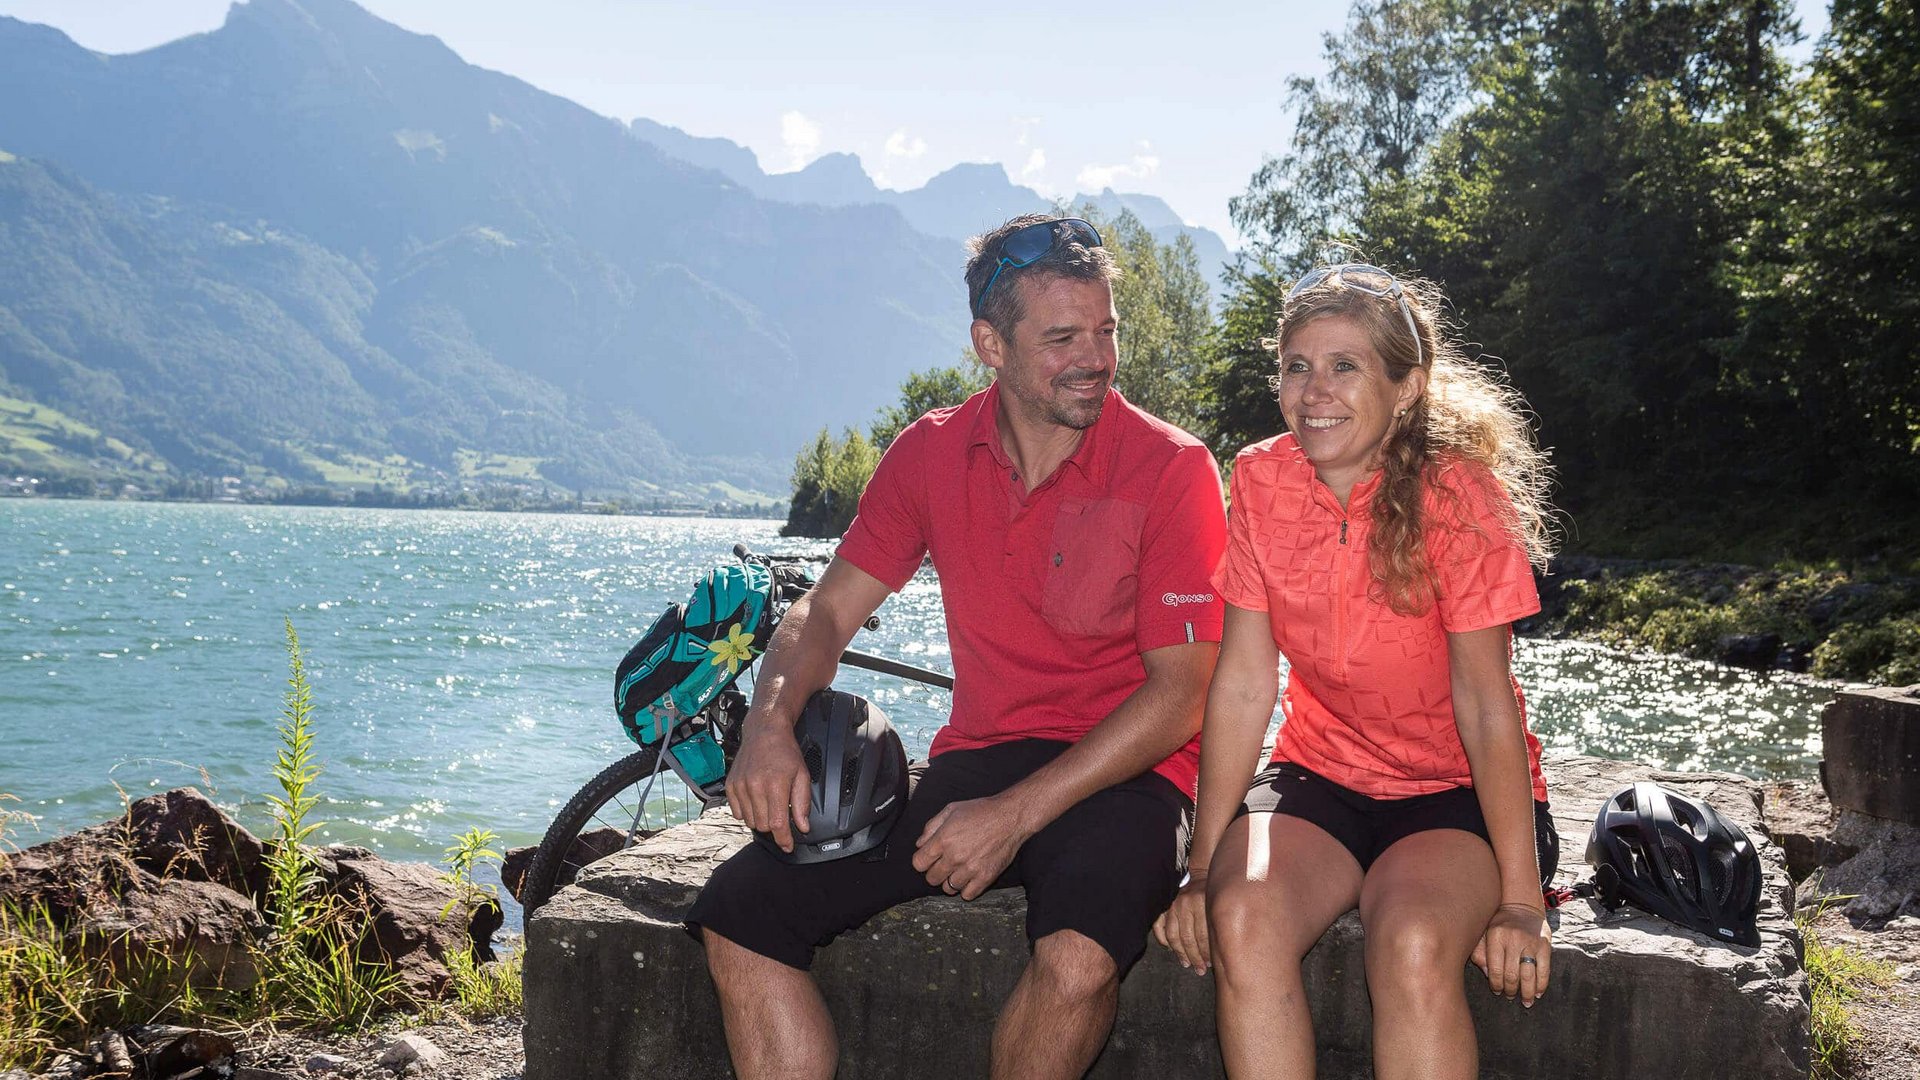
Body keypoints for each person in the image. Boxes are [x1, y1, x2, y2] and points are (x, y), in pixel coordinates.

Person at [687, 213, 1229, 1080]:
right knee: (743, 911)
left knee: (1077, 962)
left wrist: (1013, 817)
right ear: (990, 345)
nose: (1095, 358)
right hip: (980, 760)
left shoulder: (1173, 468)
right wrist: (769, 725)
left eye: (1106, 331)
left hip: (1128, 772)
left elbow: (1182, 695)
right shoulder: (931, 453)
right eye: (1062, 338)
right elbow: (825, 612)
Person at [1152, 262, 1559, 1079]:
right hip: (1321, 776)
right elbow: (1244, 683)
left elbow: (1487, 705)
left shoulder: (1460, 494)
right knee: (1242, 916)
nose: (1315, 392)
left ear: (1407, 388)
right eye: (1297, 366)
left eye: (1346, 366)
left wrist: (1521, 903)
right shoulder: (1260, 478)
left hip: (1453, 793)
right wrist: (1200, 868)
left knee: (1412, 942)